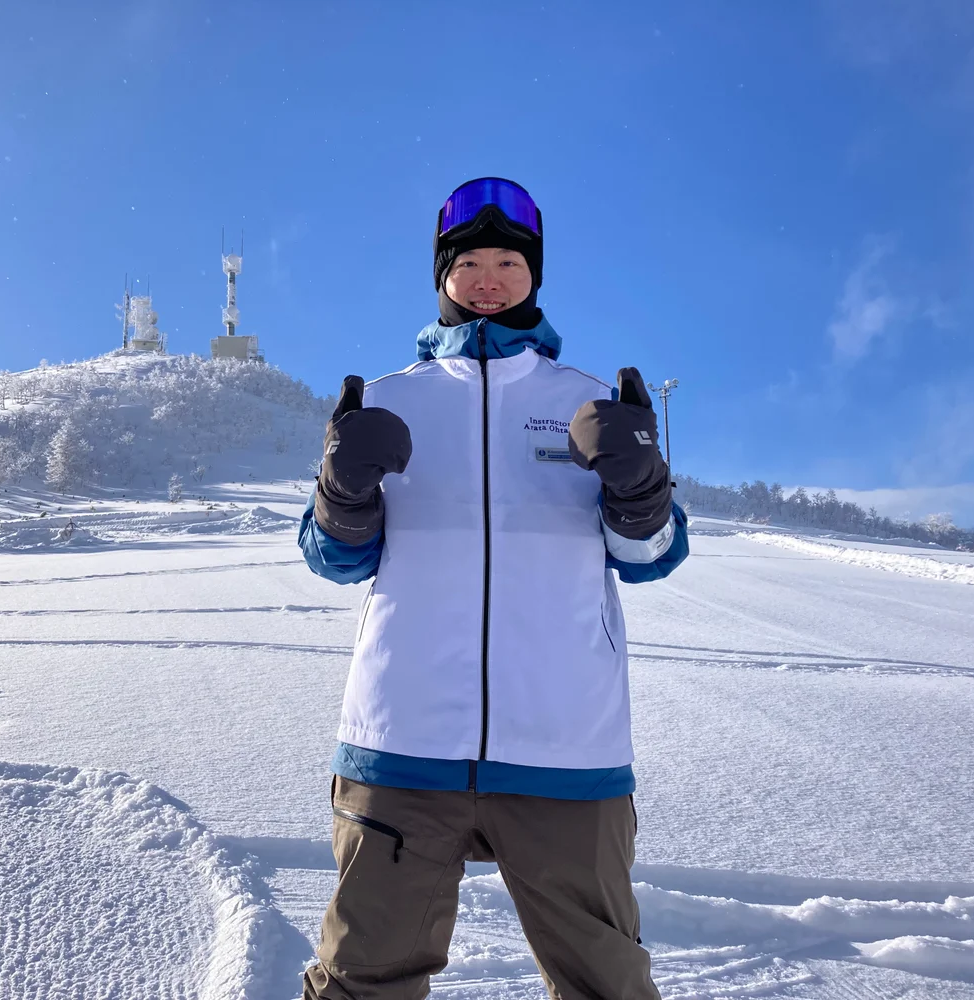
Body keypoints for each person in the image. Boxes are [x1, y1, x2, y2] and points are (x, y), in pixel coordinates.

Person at [297, 177, 687, 1000]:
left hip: (565, 744)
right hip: (402, 741)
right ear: (440, 275)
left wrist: (641, 486)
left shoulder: (585, 400)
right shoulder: (387, 399)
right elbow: (335, 559)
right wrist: (343, 491)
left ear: (533, 276)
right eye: (467, 260)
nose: (487, 276)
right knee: (362, 976)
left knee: (605, 983)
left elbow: (648, 556)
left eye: (507, 261)